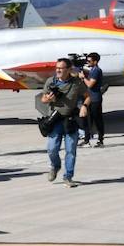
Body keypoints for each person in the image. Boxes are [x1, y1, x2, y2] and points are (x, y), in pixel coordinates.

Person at [40, 57, 88, 187]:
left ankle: (68, 177)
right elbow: (43, 99)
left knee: (71, 150)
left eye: (61, 68)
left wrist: (84, 106)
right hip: (55, 120)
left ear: (68, 69)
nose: (58, 70)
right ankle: (55, 166)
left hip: (70, 119)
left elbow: (88, 96)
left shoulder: (77, 83)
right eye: (57, 68)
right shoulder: (51, 81)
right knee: (51, 149)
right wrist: (48, 99)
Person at [79, 52, 106, 147]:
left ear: (95, 61)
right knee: (86, 119)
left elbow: (90, 84)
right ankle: (87, 140)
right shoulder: (92, 70)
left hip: (95, 98)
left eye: (89, 61)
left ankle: (100, 140)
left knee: (97, 119)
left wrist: (83, 78)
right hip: (90, 98)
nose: (88, 62)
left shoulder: (96, 71)